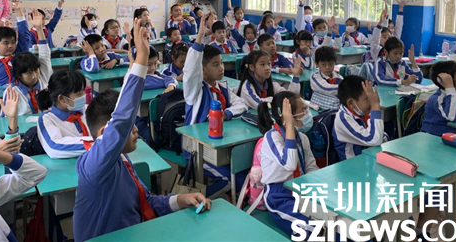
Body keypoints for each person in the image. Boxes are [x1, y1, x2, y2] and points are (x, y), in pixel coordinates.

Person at [73, 18, 210, 240]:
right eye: (130, 127)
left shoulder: (124, 160)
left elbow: (146, 201)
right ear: (105, 134)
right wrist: (141, 60)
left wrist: (180, 200)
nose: (136, 129)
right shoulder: (94, 165)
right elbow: (121, 118)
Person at [183, 13, 248, 196]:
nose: (221, 68)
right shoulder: (195, 92)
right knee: (230, 180)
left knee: (244, 173)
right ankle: (197, 202)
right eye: (215, 65)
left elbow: (241, 104)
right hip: (197, 149)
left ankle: (233, 201)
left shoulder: (223, 88)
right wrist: (200, 37)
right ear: (203, 70)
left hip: (220, 145)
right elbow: (190, 71)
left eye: (221, 63)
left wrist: (226, 114)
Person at [257, 92, 318, 238]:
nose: (307, 114)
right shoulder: (272, 137)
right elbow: (289, 164)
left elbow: (311, 168)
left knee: (339, 221)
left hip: (302, 189)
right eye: (303, 110)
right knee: (321, 231)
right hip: (280, 197)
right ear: (288, 116)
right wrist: (289, 125)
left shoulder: (302, 138)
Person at [36, 70, 94, 158]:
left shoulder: (88, 109)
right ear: (62, 98)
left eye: (83, 91)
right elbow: (55, 147)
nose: (83, 95)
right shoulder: (47, 119)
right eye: (79, 94)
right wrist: (98, 143)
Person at [0, 6, 34, 87]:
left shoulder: (20, 57)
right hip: (2, 94)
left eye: (13, 42)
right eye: (6, 43)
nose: (10, 46)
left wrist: (18, 10)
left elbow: (24, 35)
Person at [333, 76, 385, 160]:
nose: (371, 102)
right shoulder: (343, 119)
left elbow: (381, 135)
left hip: (367, 158)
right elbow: (374, 140)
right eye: (367, 99)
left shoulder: (361, 112)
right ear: (351, 103)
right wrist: (375, 106)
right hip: (352, 164)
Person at [310, 46, 343, 110]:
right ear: (317, 64)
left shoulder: (339, 78)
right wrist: (346, 88)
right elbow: (325, 88)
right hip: (318, 110)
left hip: (335, 109)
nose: (328, 67)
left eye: (331, 64)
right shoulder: (315, 77)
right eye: (323, 64)